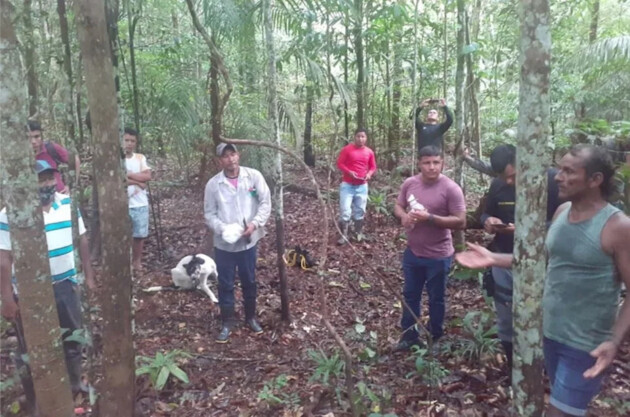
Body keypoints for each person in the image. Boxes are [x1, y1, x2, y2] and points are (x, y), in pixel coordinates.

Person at [456, 144, 630, 417]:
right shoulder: (562, 212)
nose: (558, 176)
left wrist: (614, 341)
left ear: (595, 180)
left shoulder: (618, 226)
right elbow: (541, 259)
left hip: (586, 345)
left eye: (569, 171)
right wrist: (493, 258)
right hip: (549, 335)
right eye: (559, 169)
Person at [0, 161, 95, 412]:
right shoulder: (10, 214)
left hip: (65, 284)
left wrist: (89, 275)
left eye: (49, 178)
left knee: (73, 339)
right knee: (30, 348)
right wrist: (8, 298)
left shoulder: (67, 205)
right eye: (39, 180)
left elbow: (82, 240)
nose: (46, 184)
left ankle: (73, 387)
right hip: (29, 292)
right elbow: (4, 258)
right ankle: (35, 399)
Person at [480, 144, 561, 372]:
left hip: (544, 263)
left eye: (512, 176)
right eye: (503, 177)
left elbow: (567, 223)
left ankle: (543, 370)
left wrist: (528, 229)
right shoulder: (498, 186)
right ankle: (514, 371)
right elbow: (485, 213)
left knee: (544, 318)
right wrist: (489, 221)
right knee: (506, 320)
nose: (508, 182)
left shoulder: (553, 182)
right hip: (504, 259)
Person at [393, 145, 466, 351]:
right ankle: (409, 336)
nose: (432, 167)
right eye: (427, 162)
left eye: (436, 162)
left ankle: (435, 336)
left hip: (438, 255)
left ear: (443, 163)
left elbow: (460, 221)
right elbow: (398, 206)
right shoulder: (410, 183)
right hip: (413, 252)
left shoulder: (451, 188)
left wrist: (430, 218)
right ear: (419, 163)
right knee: (410, 295)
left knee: (436, 298)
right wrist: (404, 216)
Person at [204, 143, 271, 343]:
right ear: (219, 161)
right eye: (225, 156)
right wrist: (223, 229)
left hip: (248, 241)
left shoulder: (253, 177)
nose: (230, 159)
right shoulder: (213, 185)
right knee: (225, 282)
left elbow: (265, 202)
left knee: (249, 280)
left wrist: (255, 224)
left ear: (238, 156)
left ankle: (250, 317)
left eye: (233, 154)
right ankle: (227, 321)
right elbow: (209, 214)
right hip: (224, 244)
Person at [336, 128, 377, 244]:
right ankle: (344, 235)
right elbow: (340, 163)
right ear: (354, 137)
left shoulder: (369, 152)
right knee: (345, 210)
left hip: (362, 186)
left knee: (359, 210)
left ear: (366, 138)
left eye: (363, 136)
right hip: (347, 185)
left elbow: (373, 167)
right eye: (358, 136)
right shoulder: (347, 149)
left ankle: (358, 233)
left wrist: (369, 174)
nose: (360, 139)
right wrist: (349, 172)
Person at [124, 127, 152, 272]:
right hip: (123, 204)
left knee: (139, 235)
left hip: (140, 203)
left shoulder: (140, 158)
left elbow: (147, 176)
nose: (129, 143)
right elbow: (119, 180)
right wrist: (137, 181)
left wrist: (129, 175)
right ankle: (125, 263)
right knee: (124, 236)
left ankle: (137, 262)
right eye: (126, 140)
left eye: (132, 141)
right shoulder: (117, 160)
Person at [28, 120, 81, 194]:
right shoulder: (20, 158)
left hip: (59, 197)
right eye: (29, 137)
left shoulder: (50, 148)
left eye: (37, 136)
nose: (33, 141)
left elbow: (75, 160)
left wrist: (71, 185)